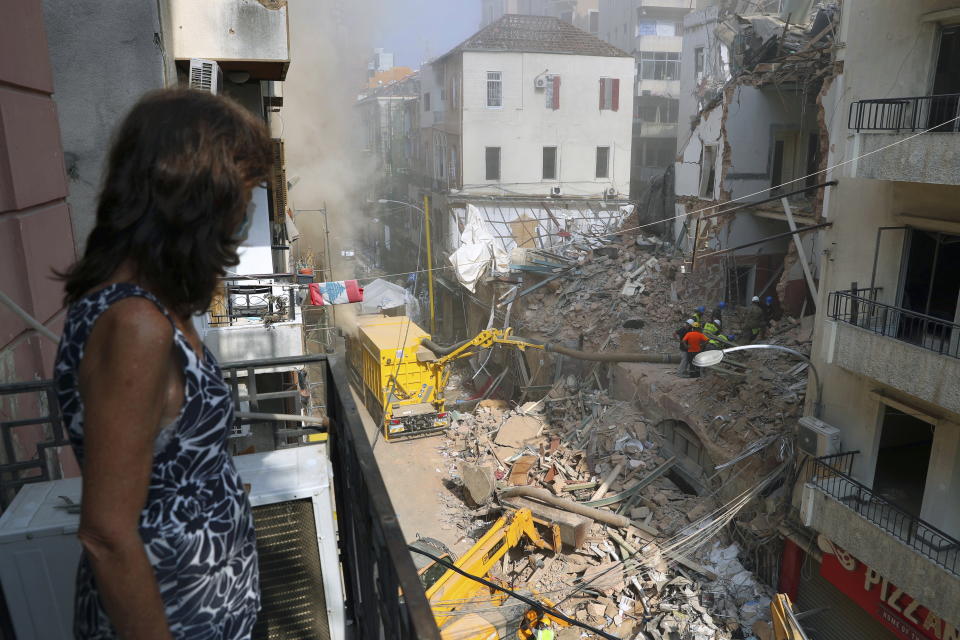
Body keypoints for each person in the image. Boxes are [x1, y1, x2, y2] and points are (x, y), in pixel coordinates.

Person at [54, 89, 272, 639]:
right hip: (175, 620)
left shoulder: (153, 307)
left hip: (211, 611)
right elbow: (106, 535)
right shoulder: (135, 325)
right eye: (241, 200)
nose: (245, 220)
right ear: (199, 200)